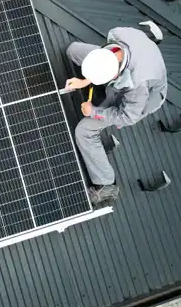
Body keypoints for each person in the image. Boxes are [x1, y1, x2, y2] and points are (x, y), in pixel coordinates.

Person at [63, 27, 167, 206]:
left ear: (113, 76)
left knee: (84, 131)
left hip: (139, 100)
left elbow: (127, 117)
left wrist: (94, 111)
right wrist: (86, 80)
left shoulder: (136, 86)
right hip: (123, 68)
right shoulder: (118, 35)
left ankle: (106, 185)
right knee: (74, 51)